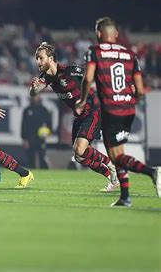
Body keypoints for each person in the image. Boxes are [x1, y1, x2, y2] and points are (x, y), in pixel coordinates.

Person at [75, 17, 160, 207]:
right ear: (116, 34)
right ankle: (125, 197)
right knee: (118, 152)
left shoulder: (95, 52)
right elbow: (139, 89)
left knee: (116, 156)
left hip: (110, 109)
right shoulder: (130, 54)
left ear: (98, 33)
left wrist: (81, 99)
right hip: (128, 109)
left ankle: (152, 172)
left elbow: (88, 78)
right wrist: (132, 101)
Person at [31, 42, 119, 191]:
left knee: (80, 150)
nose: (38, 62)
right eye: (37, 59)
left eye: (41, 58)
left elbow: (92, 75)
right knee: (80, 157)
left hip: (93, 111)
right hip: (79, 116)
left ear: (51, 59)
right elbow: (34, 93)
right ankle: (112, 178)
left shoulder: (70, 71)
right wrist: (34, 88)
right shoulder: (46, 77)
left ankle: (111, 164)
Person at [21, 95, 52, 169]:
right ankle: (32, 173)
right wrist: (24, 139)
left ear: (39, 98)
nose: (35, 98)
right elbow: (23, 125)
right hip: (29, 138)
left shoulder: (44, 110)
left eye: (36, 96)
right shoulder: (27, 110)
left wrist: (47, 132)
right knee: (31, 158)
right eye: (33, 97)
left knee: (42, 157)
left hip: (41, 138)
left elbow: (49, 124)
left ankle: (44, 174)